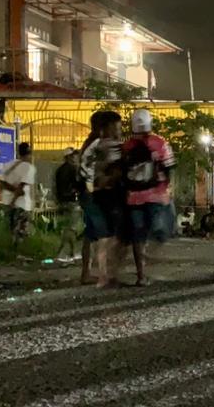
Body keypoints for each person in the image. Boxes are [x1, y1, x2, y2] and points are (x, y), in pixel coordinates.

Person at [120, 109, 176, 286]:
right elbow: (169, 167)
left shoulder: (126, 146)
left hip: (133, 198)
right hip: (156, 196)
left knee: (138, 236)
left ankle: (141, 275)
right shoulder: (160, 143)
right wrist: (166, 188)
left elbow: (122, 172)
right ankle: (151, 254)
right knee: (162, 229)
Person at [83, 111, 126, 287]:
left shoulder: (90, 145)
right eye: (117, 127)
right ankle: (108, 275)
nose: (120, 130)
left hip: (93, 194)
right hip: (110, 194)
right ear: (107, 127)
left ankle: (95, 274)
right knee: (112, 236)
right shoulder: (111, 146)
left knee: (97, 236)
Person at [0, 141, 37, 250]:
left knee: (11, 229)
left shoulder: (8, 165)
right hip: (22, 204)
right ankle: (19, 252)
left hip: (7, 202)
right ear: (29, 154)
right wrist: (14, 198)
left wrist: (12, 192)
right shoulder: (29, 168)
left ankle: (10, 251)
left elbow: (1, 183)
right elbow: (22, 186)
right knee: (22, 232)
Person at [53, 148, 83, 262]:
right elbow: (78, 185)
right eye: (73, 155)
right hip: (72, 202)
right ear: (69, 157)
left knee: (68, 227)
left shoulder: (59, 170)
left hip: (62, 202)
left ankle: (71, 252)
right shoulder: (73, 169)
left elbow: (56, 188)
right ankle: (63, 252)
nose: (75, 157)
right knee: (71, 228)